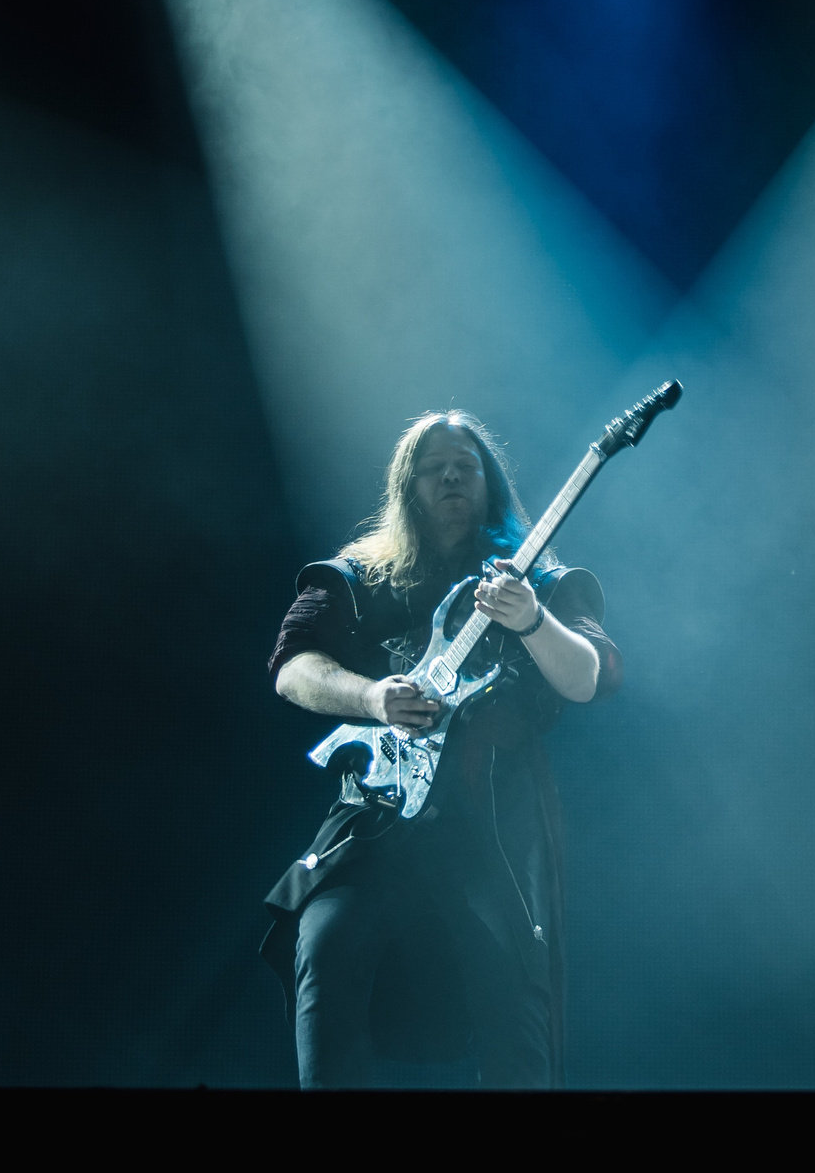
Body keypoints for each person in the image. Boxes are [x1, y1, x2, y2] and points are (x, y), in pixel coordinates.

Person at [260, 410, 621, 1088]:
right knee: (326, 942)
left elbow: (589, 677)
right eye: (434, 466)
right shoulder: (361, 576)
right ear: (407, 485)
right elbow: (291, 665)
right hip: (374, 825)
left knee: (513, 999)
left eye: (466, 463)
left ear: (488, 479)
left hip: (493, 826)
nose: (452, 473)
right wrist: (372, 698)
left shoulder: (540, 579)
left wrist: (533, 620)